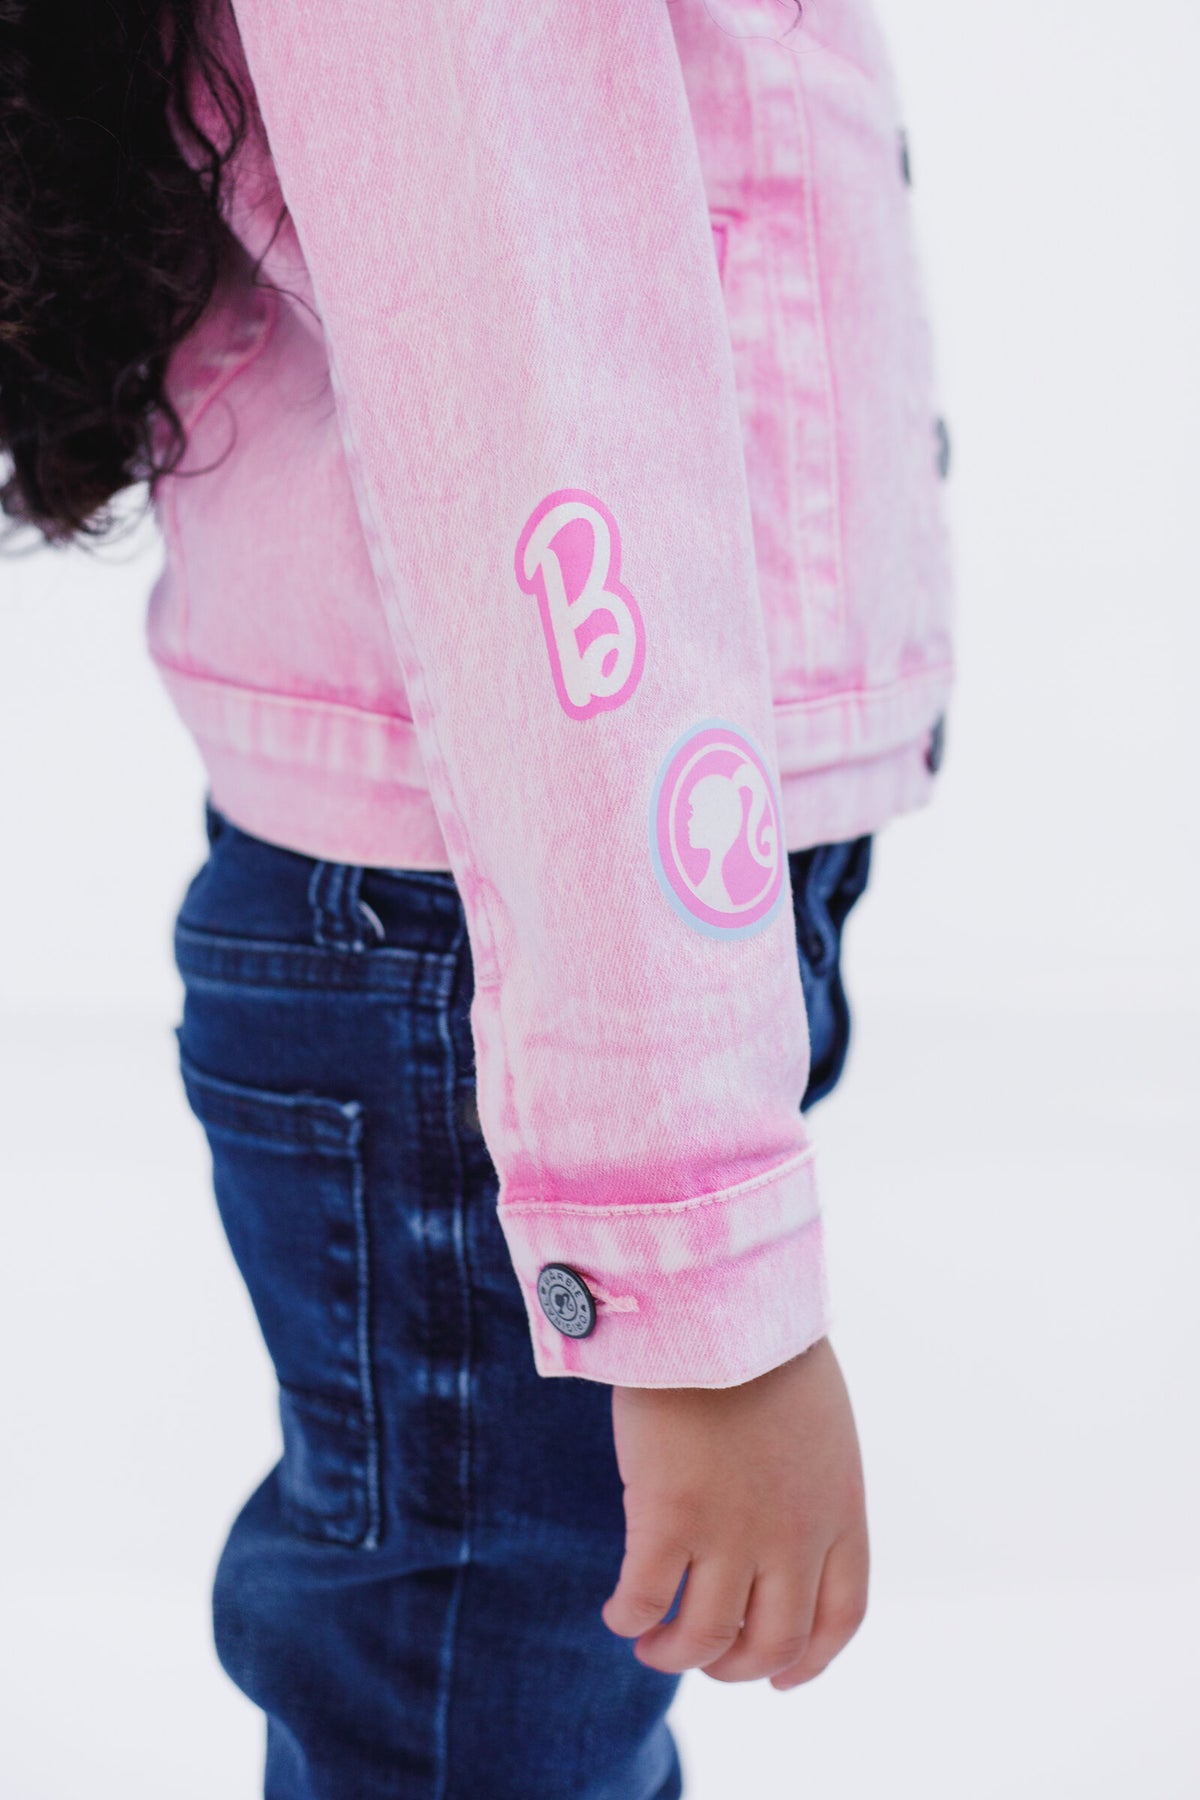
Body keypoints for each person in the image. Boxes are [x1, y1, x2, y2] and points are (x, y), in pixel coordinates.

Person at [0, 0, 955, 1793]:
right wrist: (685, 1264)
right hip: (508, 906)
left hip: (556, 884)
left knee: (479, 1705)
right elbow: (534, 369)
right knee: (469, 1729)